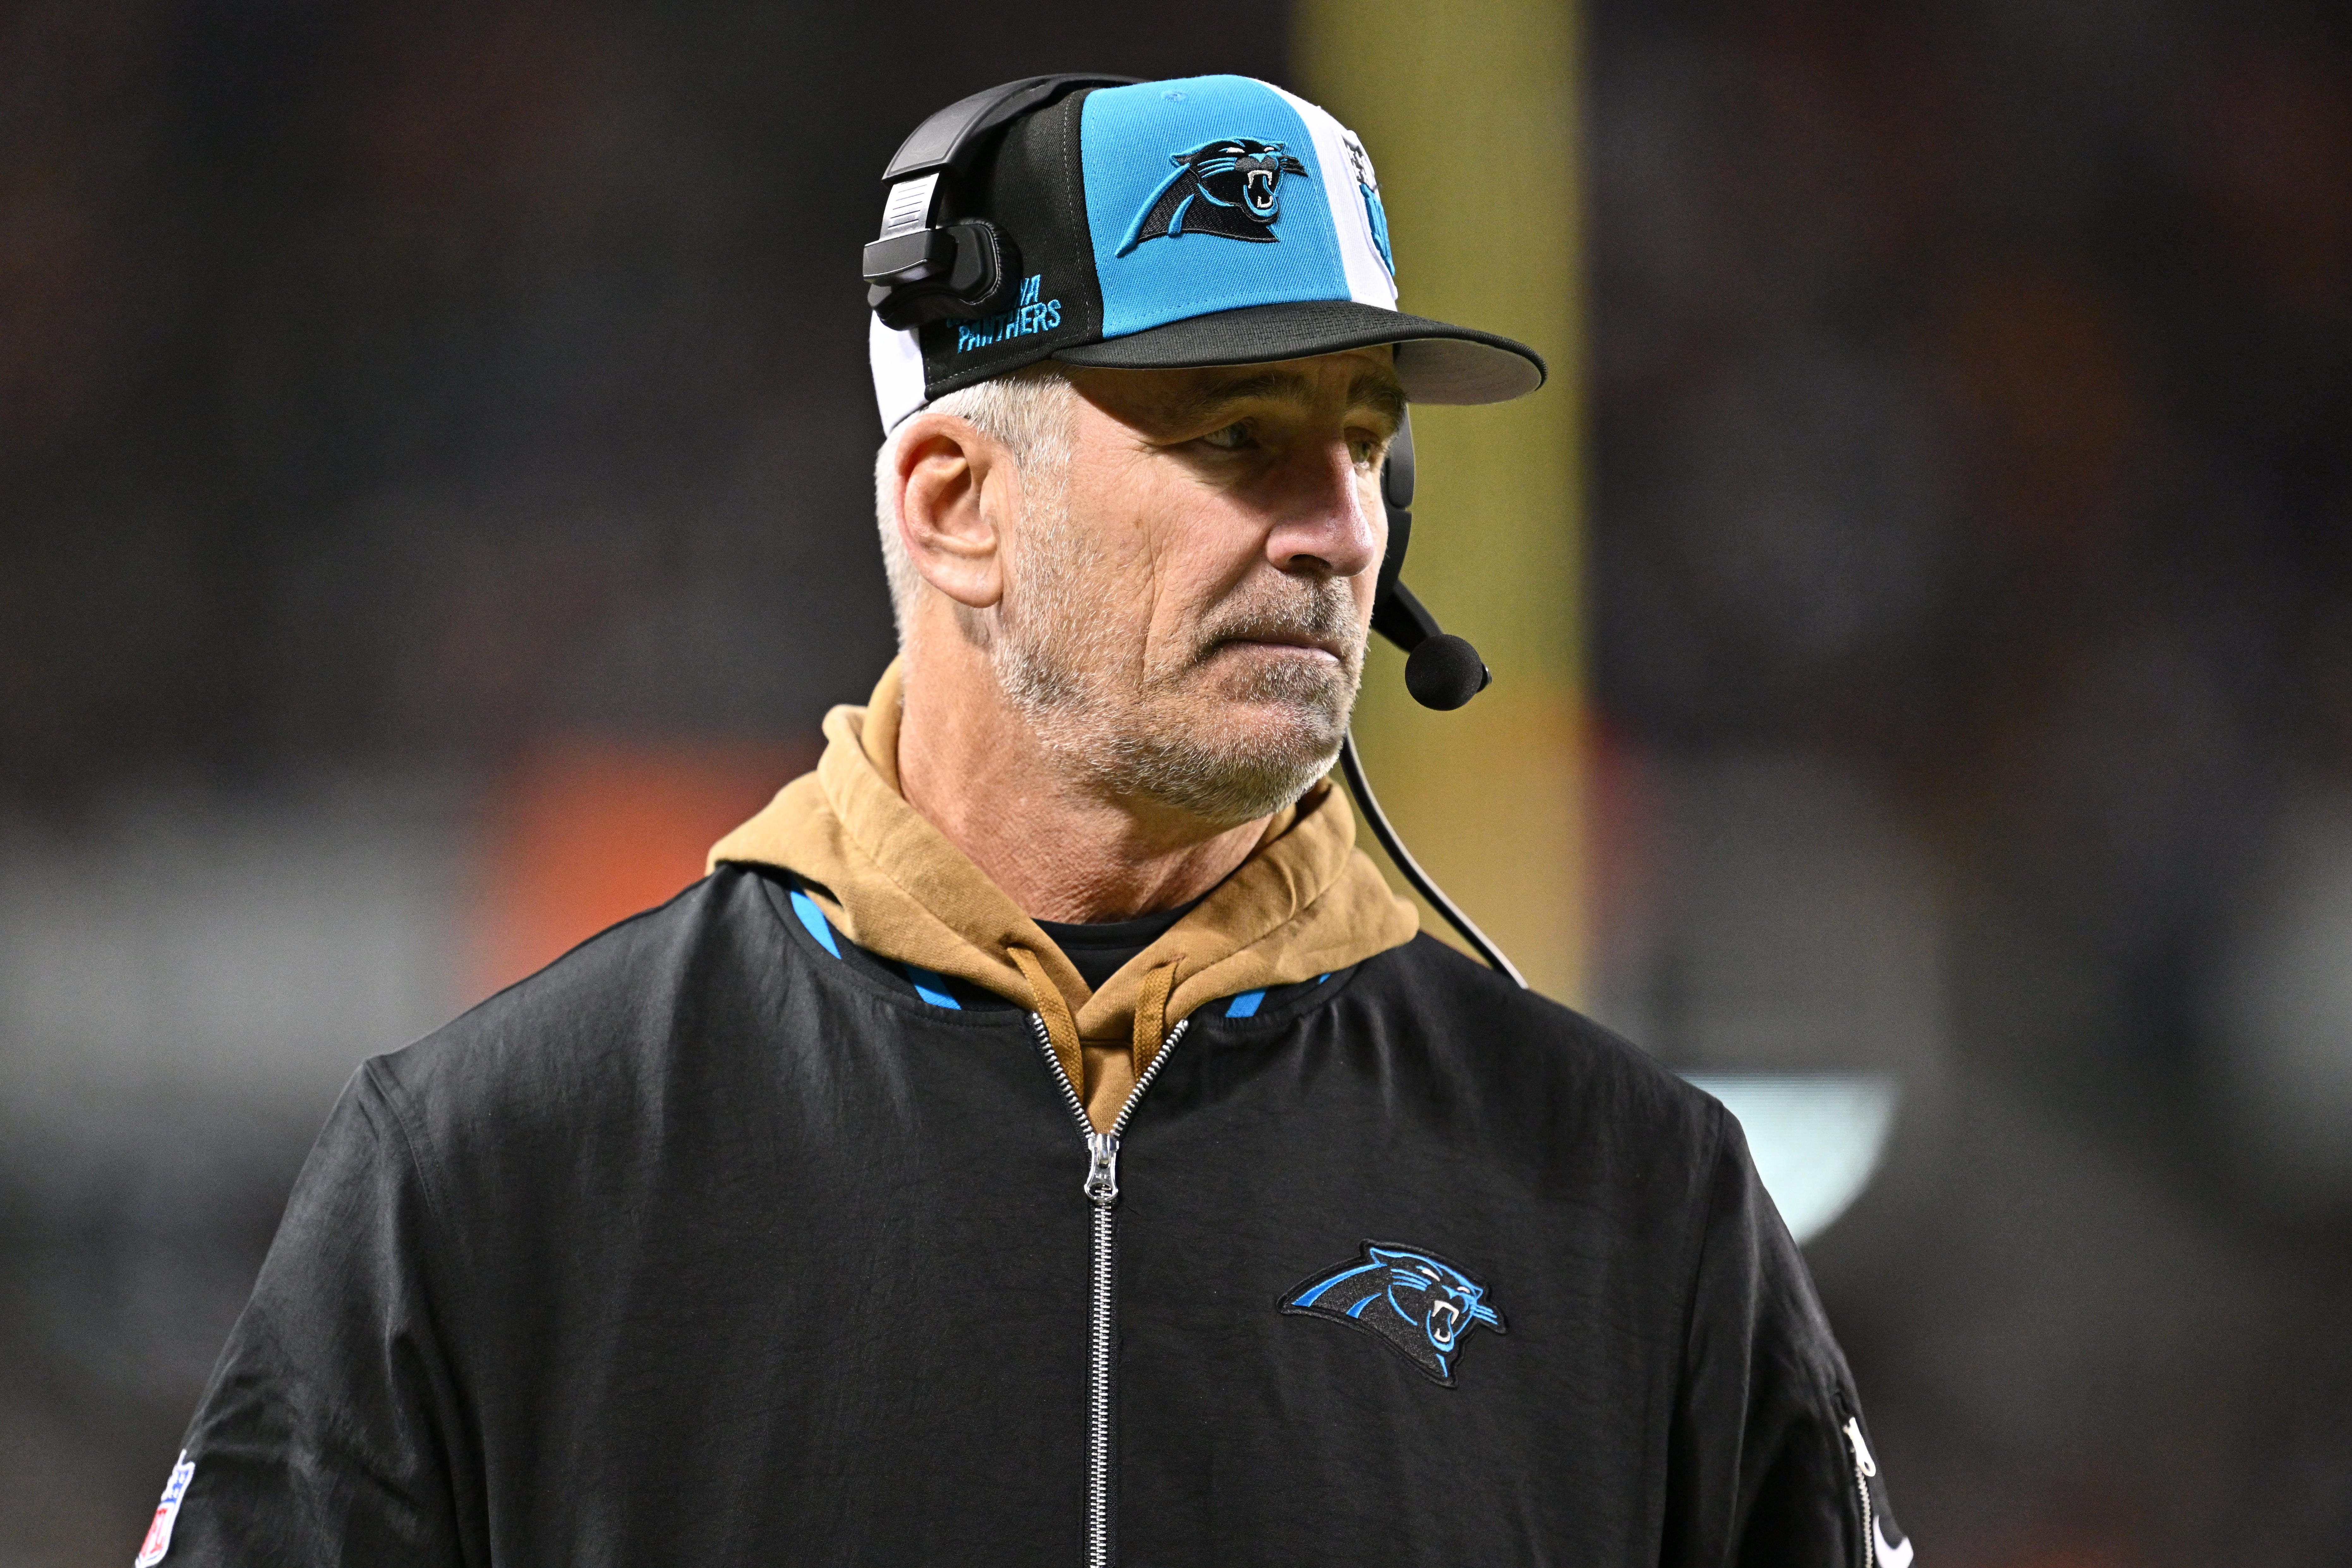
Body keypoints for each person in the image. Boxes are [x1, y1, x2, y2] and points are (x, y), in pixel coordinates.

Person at [139, 73, 1910, 1568]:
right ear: (957, 502)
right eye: (1236, 434)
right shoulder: (497, 1163)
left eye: (1363, 439)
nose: (1338, 528)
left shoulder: (1622, 1191)